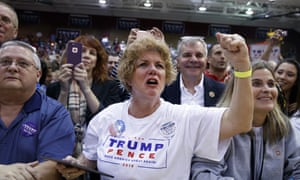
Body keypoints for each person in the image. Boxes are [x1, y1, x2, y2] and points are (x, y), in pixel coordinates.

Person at [55, 32, 253, 180]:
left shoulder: (185, 117)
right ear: (128, 75)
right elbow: (89, 159)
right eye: (143, 65)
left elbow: (240, 122)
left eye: (159, 66)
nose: (153, 70)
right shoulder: (106, 117)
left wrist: (242, 67)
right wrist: (75, 165)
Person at [191, 61, 300, 180]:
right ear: (238, 90)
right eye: (256, 83)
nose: (266, 89)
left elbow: (296, 168)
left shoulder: (284, 127)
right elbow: (203, 174)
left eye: (271, 84)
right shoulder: (218, 124)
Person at [0, 40, 75, 179]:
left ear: (38, 75)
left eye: (23, 64)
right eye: (5, 62)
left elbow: (53, 167)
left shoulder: (55, 113)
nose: (12, 68)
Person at [46, 35, 129, 157]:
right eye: (82, 51)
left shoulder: (110, 86)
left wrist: (85, 88)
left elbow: (109, 122)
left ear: (97, 61)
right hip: (60, 149)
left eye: (92, 53)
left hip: (97, 151)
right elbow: (51, 121)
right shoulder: (55, 87)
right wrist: (64, 91)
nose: (86, 55)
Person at [161, 37, 225, 107]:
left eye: (199, 55)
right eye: (187, 55)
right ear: (178, 61)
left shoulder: (221, 91)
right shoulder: (162, 89)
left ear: (206, 61)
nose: (193, 60)